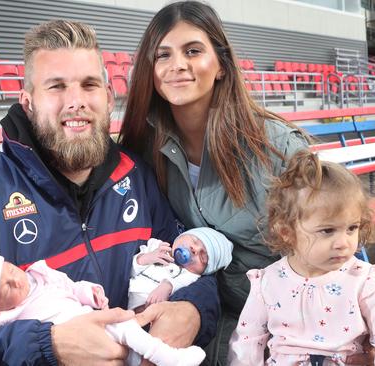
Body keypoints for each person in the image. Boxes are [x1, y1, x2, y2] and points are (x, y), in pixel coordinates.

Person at [0, 19, 220, 366]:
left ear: (108, 96)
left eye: (89, 84)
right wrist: (46, 347)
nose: (76, 101)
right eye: (56, 87)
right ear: (28, 102)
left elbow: (188, 260)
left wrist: (194, 309)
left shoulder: (137, 176)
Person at [118, 1, 313, 364]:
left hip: (290, 329)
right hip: (203, 321)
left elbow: (329, 247)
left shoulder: (280, 147)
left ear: (221, 65)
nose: (177, 64)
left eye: (193, 50)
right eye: (163, 55)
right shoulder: (142, 151)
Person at [228, 151, 375, 366]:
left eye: (352, 228)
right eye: (327, 231)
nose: (343, 242)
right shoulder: (268, 281)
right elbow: (247, 340)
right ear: (287, 232)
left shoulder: (364, 281)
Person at [0, 251, 206, 366]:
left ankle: (167, 357)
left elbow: (71, 287)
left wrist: (90, 292)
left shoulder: (40, 276)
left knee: (129, 328)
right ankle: (166, 358)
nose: (17, 280)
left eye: (10, 269)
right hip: (72, 349)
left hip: (96, 320)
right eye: (7, 289)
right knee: (125, 334)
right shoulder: (1, 316)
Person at [129, 227, 233, 311]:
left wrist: (167, 286)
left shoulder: (190, 275)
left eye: (202, 257)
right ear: (181, 235)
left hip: (144, 312)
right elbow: (127, 270)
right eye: (194, 241)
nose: (195, 250)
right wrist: (146, 258)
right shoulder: (156, 246)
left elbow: (180, 284)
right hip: (121, 294)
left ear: (203, 271)